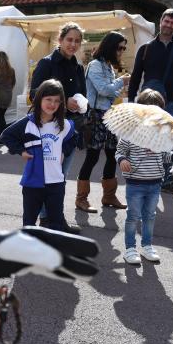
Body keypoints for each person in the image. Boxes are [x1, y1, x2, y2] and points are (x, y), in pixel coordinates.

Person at [128, 8, 173, 194]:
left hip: (172, 101)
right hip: (147, 104)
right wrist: (132, 99)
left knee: (168, 141)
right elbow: (135, 76)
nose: (169, 25)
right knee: (146, 139)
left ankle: (164, 180)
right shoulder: (146, 48)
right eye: (166, 21)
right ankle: (143, 174)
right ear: (160, 22)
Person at [1, 79, 79, 233]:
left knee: (56, 222)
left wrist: (64, 150)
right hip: (32, 183)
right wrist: (21, 151)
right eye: (48, 99)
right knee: (29, 223)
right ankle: (28, 253)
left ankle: (55, 252)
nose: (52, 104)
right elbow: (6, 135)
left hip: (56, 182)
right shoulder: (28, 123)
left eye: (57, 101)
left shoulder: (64, 124)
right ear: (39, 99)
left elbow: (75, 137)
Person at [30, 22, 87, 223]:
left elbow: (83, 95)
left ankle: (55, 217)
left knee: (61, 176)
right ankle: (47, 219)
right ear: (60, 40)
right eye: (69, 39)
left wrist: (80, 103)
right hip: (48, 129)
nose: (73, 44)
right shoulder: (47, 63)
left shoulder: (79, 67)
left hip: (69, 130)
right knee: (49, 176)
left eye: (77, 41)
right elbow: (34, 93)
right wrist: (64, 102)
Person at [115, 89, 173, 265]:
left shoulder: (161, 134)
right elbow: (119, 151)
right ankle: (130, 249)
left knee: (149, 216)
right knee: (133, 216)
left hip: (155, 183)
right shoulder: (130, 132)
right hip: (135, 183)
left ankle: (147, 246)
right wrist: (122, 160)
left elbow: (164, 155)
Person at [76, 31, 130, 212]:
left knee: (112, 154)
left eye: (124, 48)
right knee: (92, 157)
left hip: (107, 115)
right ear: (110, 46)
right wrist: (121, 81)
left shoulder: (107, 66)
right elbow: (105, 90)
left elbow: (111, 93)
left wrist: (115, 86)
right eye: (120, 47)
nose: (122, 51)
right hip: (95, 115)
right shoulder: (96, 65)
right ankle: (81, 199)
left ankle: (108, 196)